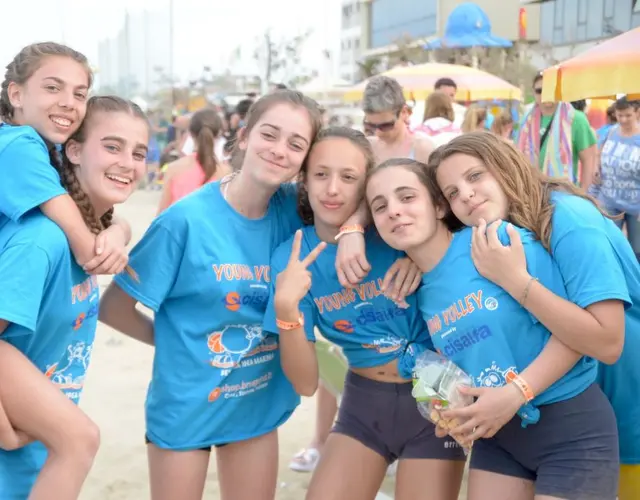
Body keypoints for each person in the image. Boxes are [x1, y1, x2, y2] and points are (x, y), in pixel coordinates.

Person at [99, 90, 371, 500]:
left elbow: (367, 189)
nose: (280, 151)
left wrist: (354, 230)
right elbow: (114, 308)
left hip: (256, 407)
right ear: (243, 136)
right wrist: (176, 341)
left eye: (296, 144)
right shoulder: (184, 222)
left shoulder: (295, 210)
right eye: (270, 135)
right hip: (186, 407)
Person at [366, 153, 621, 500]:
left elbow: (577, 331)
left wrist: (518, 393)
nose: (393, 210)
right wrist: (446, 403)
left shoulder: (495, 242)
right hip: (498, 440)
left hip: (570, 428)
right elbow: (449, 361)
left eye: (407, 197)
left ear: (440, 207)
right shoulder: (416, 292)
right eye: (380, 207)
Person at [427, 130, 640, 499]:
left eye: (475, 176)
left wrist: (515, 281)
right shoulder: (504, 228)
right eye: (452, 192)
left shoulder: (569, 218)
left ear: (505, 166)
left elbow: (608, 341)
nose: (467, 194)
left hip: (623, 392)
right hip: (565, 395)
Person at [265, 126, 466, 500]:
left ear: (366, 185)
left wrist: (415, 257)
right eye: (321, 174)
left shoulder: (397, 228)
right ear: (304, 181)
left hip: (436, 394)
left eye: (349, 177)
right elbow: (306, 385)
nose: (333, 189)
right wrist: (286, 308)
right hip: (363, 405)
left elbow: (451, 223)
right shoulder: (292, 257)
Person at [0, 95, 149, 498]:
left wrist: (120, 231)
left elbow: (117, 224)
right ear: (75, 149)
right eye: (113, 146)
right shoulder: (42, 242)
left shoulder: (93, 234)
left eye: (139, 152)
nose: (128, 163)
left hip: (40, 458)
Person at [0, 42, 131, 276]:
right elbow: (89, 254)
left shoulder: (52, 149)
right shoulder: (16, 146)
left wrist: (118, 231)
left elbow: (94, 217)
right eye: (52, 88)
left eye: (79, 94)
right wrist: (110, 241)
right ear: (16, 95)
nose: (68, 103)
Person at [517, 73, 597, 191]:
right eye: (540, 91)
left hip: (563, 194)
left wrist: (583, 193)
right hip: (531, 193)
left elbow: (588, 159)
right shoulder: (525, 121)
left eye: (550, 90)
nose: (545, 95)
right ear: (534, 93)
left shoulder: (576, 119)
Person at [157, 108, 231, 214]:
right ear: (219, 133)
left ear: (190, 133)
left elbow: (162, 215)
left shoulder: (174, 169)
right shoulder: (226, 172)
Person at [593, 96, 640, 260]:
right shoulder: (610, 131)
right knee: (607, 244)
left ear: (637, 113)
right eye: (620, 115)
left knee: (636, 250)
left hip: (636, 205)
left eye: (628, 115)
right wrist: (596, 166)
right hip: (609, 198)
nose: (624, 120)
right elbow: (598, 152)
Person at [361, 76, 434, 164]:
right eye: (370, 126)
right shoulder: (366, 148)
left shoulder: (423, 150)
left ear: (404, 112)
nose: (378, 133)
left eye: (386, 126)